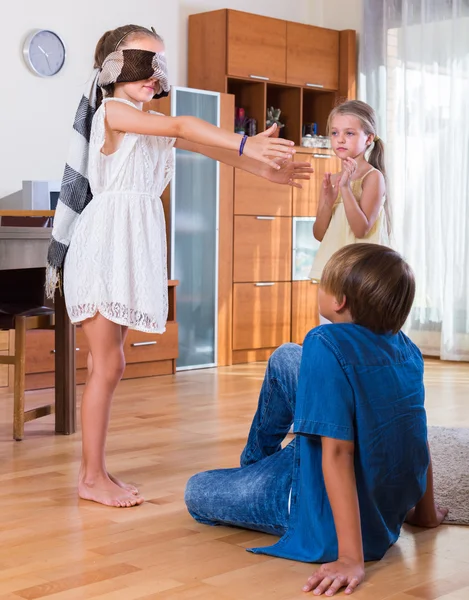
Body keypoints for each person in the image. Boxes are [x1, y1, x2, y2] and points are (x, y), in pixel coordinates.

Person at [46, 24, 313, 508]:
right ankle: (89, 477)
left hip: (129, 247)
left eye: (159, 64)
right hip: (105, 246)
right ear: (111, 68)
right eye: (141, 62)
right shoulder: (115, 112)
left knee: (111, 363)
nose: (153, 74)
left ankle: (97, 471)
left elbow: (204, 147)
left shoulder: (144, 123)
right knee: (106, 363)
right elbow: (184, 126)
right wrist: (245, 142)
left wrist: (266, 168)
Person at [185, 243, 448, 596]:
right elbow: (417, 434)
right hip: (376, 501)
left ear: (339, 301)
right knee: (286, 358)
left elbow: (338, 454)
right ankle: (256, 465)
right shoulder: (406, 347)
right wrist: (425, 513)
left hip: (318, 509)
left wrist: (350, 557)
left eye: (322, 282)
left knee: (197, 490)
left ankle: (264, 478)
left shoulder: (324, 341)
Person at [309, 101, 391, 295]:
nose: (340, 140)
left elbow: (360, 229)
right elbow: (319, 234)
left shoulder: (372, 177)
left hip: (360, 274)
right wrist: (328, 203)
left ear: (368, 138)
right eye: (335, 133)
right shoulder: (334, 179)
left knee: (352, 326)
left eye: (349, 133)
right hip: (332, 271)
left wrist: (345, 188)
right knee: (330, 326)